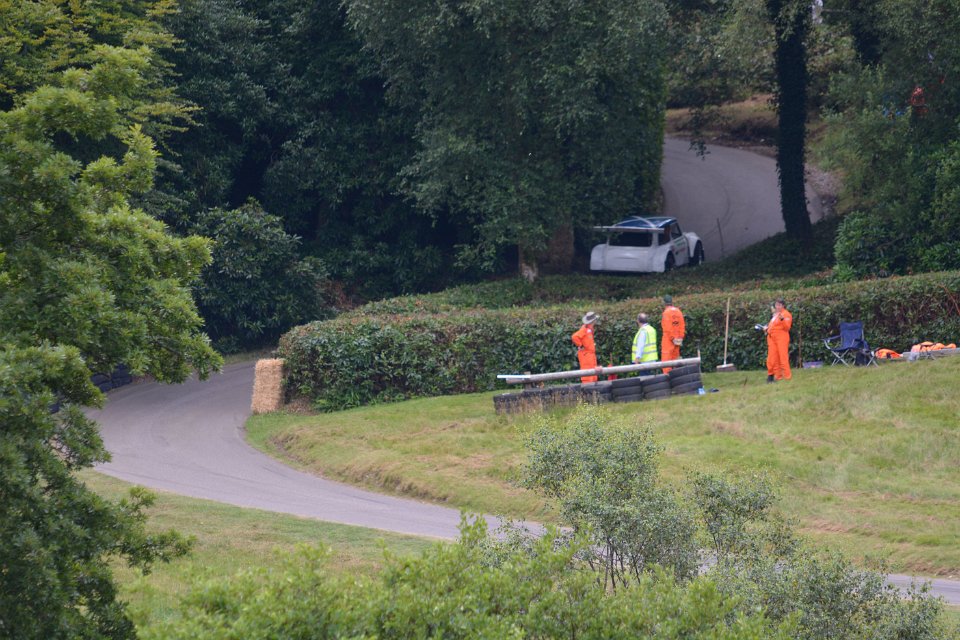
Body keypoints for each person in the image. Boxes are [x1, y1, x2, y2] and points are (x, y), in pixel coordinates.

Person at [764, 298, 793, 382]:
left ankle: (787, 377)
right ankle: (778, 376)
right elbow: (772, 326)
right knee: (772, 358)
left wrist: (782, 319)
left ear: (783, 305)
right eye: (776, 305)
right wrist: (766, 329)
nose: (777, 307)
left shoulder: (786, 314)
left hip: (782, 338)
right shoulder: (775, 315)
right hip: (772, 338)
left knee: (783, 358)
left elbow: (787, 327)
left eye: (779, 305)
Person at [572, 311, 600, 383]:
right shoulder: (584, 329)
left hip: (590, 355)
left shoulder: (589, 329)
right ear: (593, 321)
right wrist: (581, 345)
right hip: (586, 355)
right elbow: (574, 337)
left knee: (593, 374)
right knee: (587, 375)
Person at [660, 295, 685, 373]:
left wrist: (672, 338)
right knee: (676, 360)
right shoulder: (678, 311)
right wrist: (680, 337)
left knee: (666, 362)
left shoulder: (666, 313)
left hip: (669, 341)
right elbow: (682, 325)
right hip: (678, 340)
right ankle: (677, 378)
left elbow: (667, 328)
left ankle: (667, 378)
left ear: (664, 303)